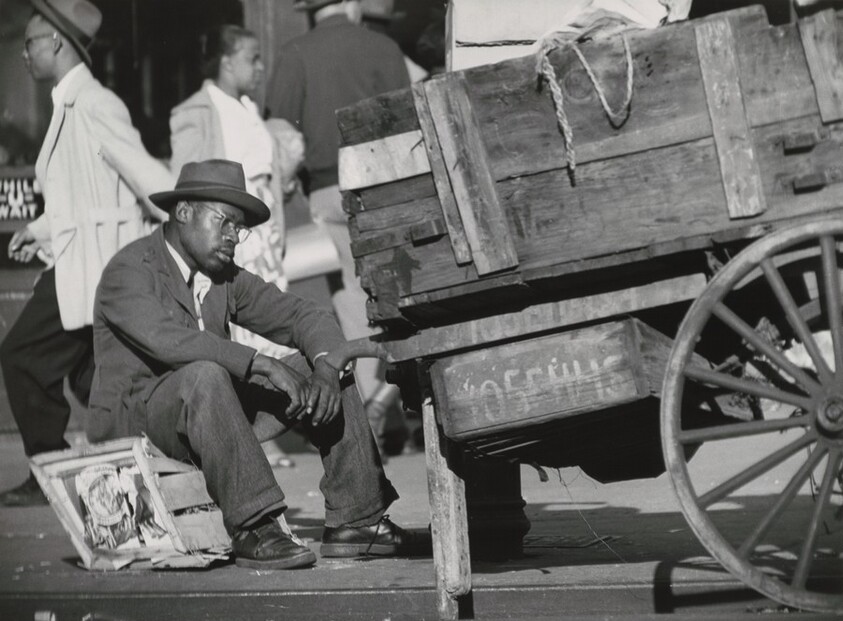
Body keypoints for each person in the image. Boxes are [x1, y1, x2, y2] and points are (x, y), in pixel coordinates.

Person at [87, 159, 430, 569]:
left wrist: (324, 368)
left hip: (208, 416)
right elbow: (171, 343)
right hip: (139, 432)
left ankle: (358, 520)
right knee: (204, 372)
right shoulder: (128, 270)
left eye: (239, 228)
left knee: (316, 365)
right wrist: (262, 363)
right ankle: (255, 524)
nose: (233, 236)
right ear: (183, 212)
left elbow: (304, 315)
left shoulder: (221, 276)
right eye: (225, 222)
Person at [0, 0, 172, 507]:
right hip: (78, 264)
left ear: (55, 42)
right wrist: (39, 228)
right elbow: (80, 195)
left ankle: (49, 466)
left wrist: (189, 219)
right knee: (93, 376)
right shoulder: (68, 104)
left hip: (93, 269)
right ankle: (147, 458)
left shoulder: (95, 104)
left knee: (22, 355)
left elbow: (147, 176)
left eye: (30, 44)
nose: (25, 55)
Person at [267, 0, 411, 452]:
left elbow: (279, 132)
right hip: (386, 184)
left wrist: (286, 182)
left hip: (328, 192)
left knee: (352, 297)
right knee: (396, 293)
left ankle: (374, 403)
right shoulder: (385, 48)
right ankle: (390, 405)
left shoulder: (295, 53)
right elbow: (406, 122)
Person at [169, 24, 305, 466]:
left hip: (263, 234)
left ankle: (267, 429)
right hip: (229, 236)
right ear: (226, 62)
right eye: (252, 58)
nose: (260, 68)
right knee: (240, 331)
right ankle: (247, 433)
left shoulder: (249, 108)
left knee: (271, 328)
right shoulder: (199, 110)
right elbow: (184, 179)